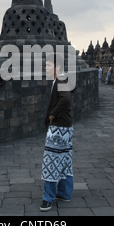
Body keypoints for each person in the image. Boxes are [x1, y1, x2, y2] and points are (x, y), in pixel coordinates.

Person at [40, 54, 74, 212]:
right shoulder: (61, 79)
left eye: (48, 65)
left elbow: (65, 99)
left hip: (59, 129)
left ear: (57, 67)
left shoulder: (60, 79)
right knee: (65, 160)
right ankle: (65, 193)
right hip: (66, 128)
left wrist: (52, 114)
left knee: (51, 162)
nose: (45, 68)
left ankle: (48, 198)